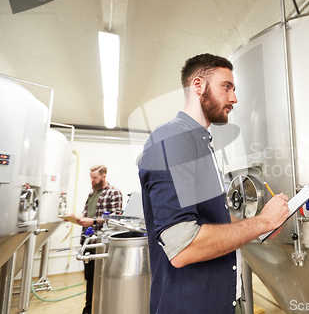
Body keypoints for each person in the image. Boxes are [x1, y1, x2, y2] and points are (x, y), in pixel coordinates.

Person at [138, 53, 289, 314]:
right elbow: (184, 246)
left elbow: (211, 222)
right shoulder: (173, 139)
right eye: (226, 87)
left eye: (234, 89)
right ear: (198, 85)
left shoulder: (201, 145)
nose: (234, 98)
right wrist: (263, 222)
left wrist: (257, 226)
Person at [78, 165, 122, 314]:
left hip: (100, 242)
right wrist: (78, 218)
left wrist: (93, 222)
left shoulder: (113, 193)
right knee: (90, 278)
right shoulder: (92, 194)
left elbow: (115, 218)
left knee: (99, 278)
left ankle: (97, 308)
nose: (92, 180)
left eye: (95, 177)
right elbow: (87, 214)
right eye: (91, 177)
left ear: (104, 176)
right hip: (87, 241)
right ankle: (89, 308)